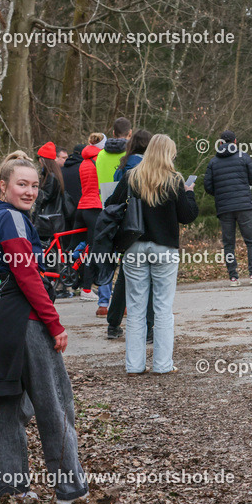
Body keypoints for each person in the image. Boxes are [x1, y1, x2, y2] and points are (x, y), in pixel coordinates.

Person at [0, 151, 88, 504]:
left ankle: (14, 490)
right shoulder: (12, 219)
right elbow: (27, 276)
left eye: (35, 185)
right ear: (3, 186)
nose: (30, 191)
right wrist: (54, 323)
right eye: (22, 184)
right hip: (25, 324)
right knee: (55, 405)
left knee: (6, 410)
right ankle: (71, 491)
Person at [106, 134, 198, 374]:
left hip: (135, 248)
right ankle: (162, 365)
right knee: (162, 309)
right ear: (169, 153)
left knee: (136, 310)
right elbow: (187, 216)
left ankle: (134, 366)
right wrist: (189, 192)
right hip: (165, 249)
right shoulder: (174, 180)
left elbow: (110, 204)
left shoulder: (131, 177)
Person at [106, 130, 154, 341]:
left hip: (128, 229)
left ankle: (113, 323)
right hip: (149, 227)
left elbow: (113, 198)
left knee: (125, 278)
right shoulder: (151, 168)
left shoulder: (123, 166)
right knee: (152, 279)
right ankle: (149, 328)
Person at [203, 130, 252, 286]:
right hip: (244, 206)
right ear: (235, 142)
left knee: (229, 244)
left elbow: (208, 187)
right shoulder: (243, 157)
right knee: (251, 241)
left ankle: (233, 278)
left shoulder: (213, 162)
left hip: (224, 208)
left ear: (221, 143)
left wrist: (221, 193)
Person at [73, 134, 110, 308]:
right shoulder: (100, 160)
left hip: (82, 207)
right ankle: (87, 288)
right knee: (94, 250)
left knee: (82, 248)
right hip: (95, 206)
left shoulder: (84, 161)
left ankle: (73, 274)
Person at [95, 117, 131, 193]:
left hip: (104, 200)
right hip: (125, 201)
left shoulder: (101, 154)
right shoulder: (131, 154)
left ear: (113, 133)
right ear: (130, 133)